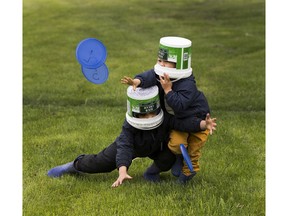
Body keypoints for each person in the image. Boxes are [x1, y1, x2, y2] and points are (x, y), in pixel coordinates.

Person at [47, 85, 216, 187]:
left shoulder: (165, 118)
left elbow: (182, 125)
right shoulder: (129, 126)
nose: (149, 118)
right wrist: (122, 170)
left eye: (152, 113)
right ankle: (74, 165)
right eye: (144, 114)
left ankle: (152, 173)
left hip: (157, 146)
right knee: (101, 163)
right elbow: (125, 148)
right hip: (136, 146)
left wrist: (202, 124)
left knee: (167, 158)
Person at [121, 36, 216, 184]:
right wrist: (137, 81)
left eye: (167, 62)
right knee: (177, 144)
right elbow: (150, 75)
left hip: (199, 120)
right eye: (160, 61)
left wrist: (168, 90)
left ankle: (187, 174)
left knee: (193, 151)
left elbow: (180, 105)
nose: (162, 65)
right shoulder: (161, 74)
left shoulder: (187, 83)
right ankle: (178, 158)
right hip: (179, 121)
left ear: (178, 65)